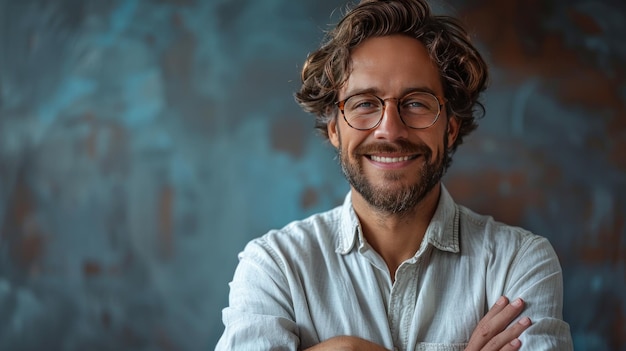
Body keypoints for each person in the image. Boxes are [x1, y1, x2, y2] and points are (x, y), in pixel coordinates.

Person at [216, 0, 573, 350]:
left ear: (450, 127)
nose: (390, 130)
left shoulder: (519, 262)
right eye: (365, 104)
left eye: (416, 103)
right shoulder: (274, 266)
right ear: (334, 129)